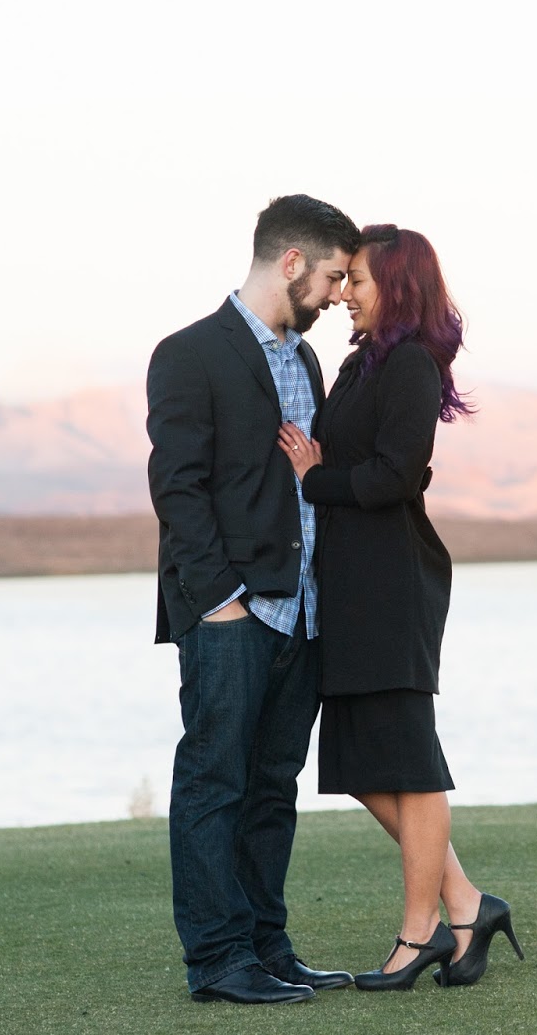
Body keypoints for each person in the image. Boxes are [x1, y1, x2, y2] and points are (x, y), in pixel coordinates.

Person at [278, 224, 524, 991]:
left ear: (397, 284)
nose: (345, 293)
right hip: (351, 585)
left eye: (357, 280)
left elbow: (394, 475)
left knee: (411, 765)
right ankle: (468, 902)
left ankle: (421, 932)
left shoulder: (412, 362)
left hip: (392, 586)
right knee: (360, 760)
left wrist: (316, 479)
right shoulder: (365, 362)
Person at [146, 194, 360, 1005]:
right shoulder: (189, 353)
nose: (340, 294)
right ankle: (218, 959)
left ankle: (268, 947)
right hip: (230, 615)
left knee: (273, 787)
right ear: (292, 262)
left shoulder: (306, 362)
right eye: (334, 277)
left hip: (302, 613)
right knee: (214, 783)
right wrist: (220, 602)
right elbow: (178, 487)